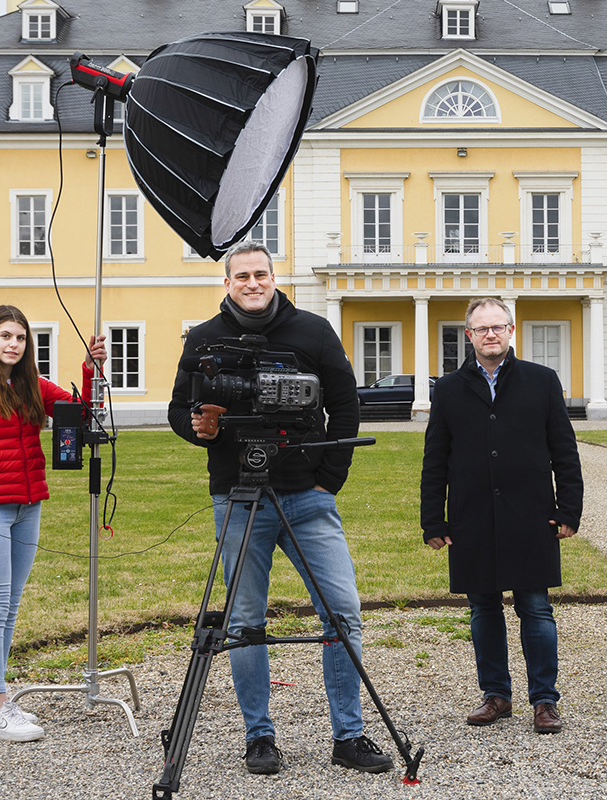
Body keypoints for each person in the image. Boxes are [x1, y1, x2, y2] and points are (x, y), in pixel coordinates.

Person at [167, 240, 392, 776]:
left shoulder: (312, 331)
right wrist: (202, 429)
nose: (251, 283)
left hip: (307, 498)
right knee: (245, 621)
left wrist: (328, 481)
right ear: (227, 283)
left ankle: (350, 735)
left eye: (260, 274)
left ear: (274, 277)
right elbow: (181, 409)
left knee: (343, 614)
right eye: (240, 275)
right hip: (237, 496)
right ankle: (259, 737)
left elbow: (345, 404)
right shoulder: (203, 339)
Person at [420, 297, 584, 735]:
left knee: (536, 608)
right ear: (468, 335)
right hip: (472, 515)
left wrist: (569, 509)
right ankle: (496, 696)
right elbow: (435, 459)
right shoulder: (450, 388)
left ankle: (544, 702)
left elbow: (564, 452)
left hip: (530, 513)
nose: (490, 335)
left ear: (511, 331)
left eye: (498, 327)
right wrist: (432, 520)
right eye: (481, 328)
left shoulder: (542, 381)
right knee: (482, 608)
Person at [0, 306, 107, 742]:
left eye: (20, 338)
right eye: (5, 336)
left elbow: (78, 413)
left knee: (11, 604)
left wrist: (90, 367)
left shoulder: (30, 385)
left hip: (28, 504)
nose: (13, 344)